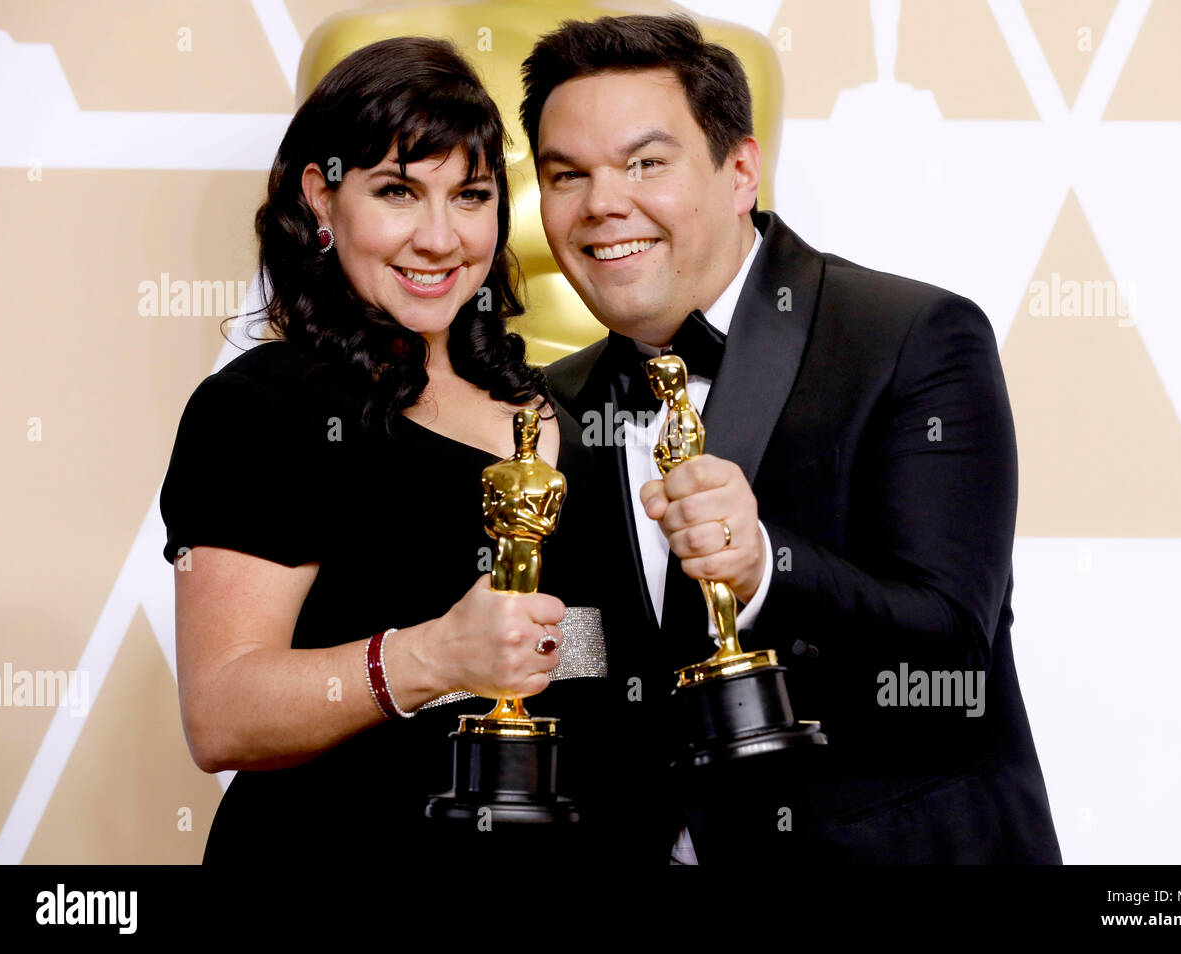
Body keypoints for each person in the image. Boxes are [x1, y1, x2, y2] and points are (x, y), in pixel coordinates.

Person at [521, 13, 1063, 863]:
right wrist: (531, 642)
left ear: (740, 171)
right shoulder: (553, 401)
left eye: (645, 164)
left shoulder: (912, 335)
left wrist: (768, 564)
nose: (602, 204)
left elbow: (954, 647)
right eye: (567, 175)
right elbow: (622, 649)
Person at [160, 36, 641, 864]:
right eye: (397, 192)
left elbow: (586, 653)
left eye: (470, 195)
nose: (439, 237)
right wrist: (434, 657)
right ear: (322, 197)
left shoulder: (559, 401)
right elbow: (222, 712)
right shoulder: (264, 406)